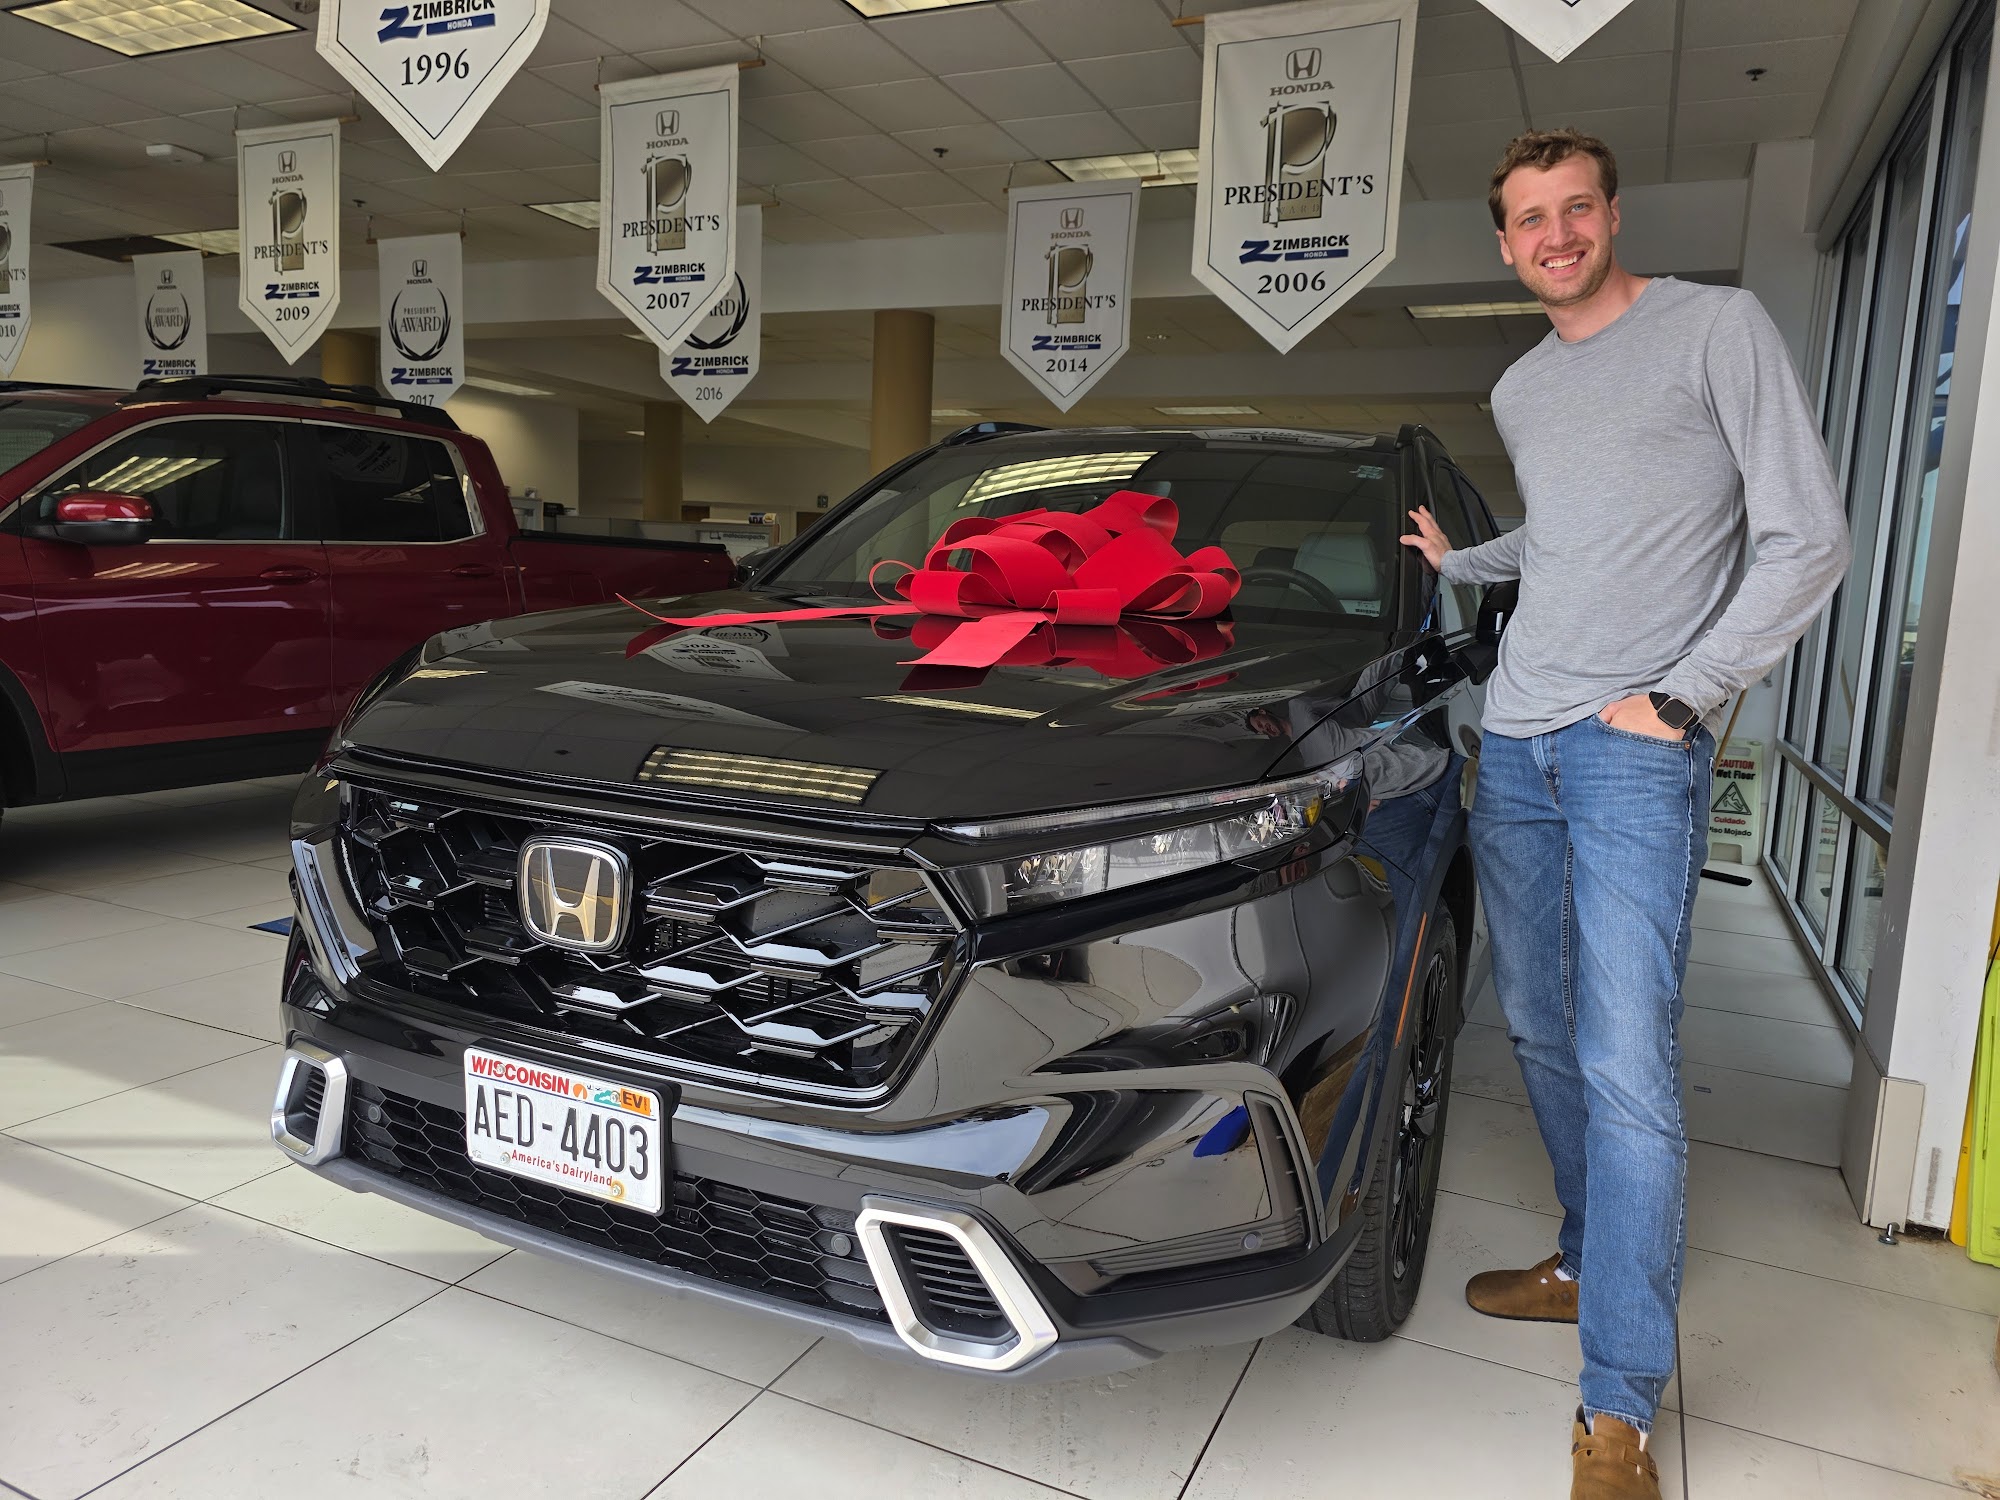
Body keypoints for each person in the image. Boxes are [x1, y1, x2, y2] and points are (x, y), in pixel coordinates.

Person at [1399, 129, 1849, 1500]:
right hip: (1517, 742)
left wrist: (1686, 696)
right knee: (1536, 1026)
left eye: (1575, 208)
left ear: (1611, 215)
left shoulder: (1717, 329)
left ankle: (1618, 1409)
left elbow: (1808, 538)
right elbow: (1567, 534)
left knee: (1626, 1059)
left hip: (1632, 751)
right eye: (1529, 218)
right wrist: (1463, 560)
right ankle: (1589, 1258)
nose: (1556, 235)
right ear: (1506, 244)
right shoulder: (1524, 386)